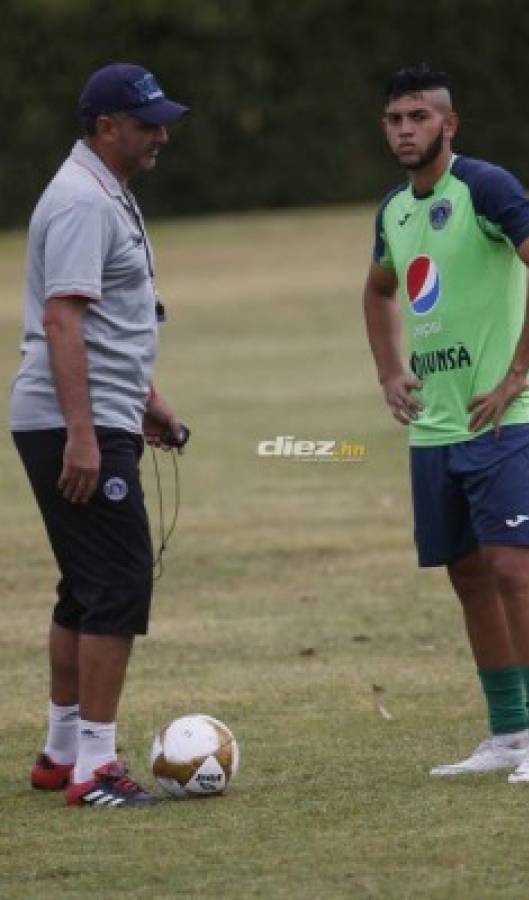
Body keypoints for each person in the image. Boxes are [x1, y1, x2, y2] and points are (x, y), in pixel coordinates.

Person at [363, 64, 529, 783]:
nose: (404, 130)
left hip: (500, 423)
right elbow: (378, 289)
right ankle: (507, 733)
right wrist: (389, 372)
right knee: (467, 576)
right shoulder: (393, 209)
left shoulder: (484, 187)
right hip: (434, 429)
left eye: (417, 117)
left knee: (512, 571)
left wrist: (515, 374)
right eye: (394, 119)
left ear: (447, 125)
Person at [10, 63, 189, 807]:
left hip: (91, 413)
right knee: (116, 586)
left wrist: (146, 400)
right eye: (146, 123)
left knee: (84, 590)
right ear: (105, 127)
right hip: (72, 421)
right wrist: (84, 434)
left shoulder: (103, 189)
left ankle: (59, 752)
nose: (161, 135)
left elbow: (109, 321)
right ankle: (96, 768)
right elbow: (63, 320)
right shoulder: (84, 200)